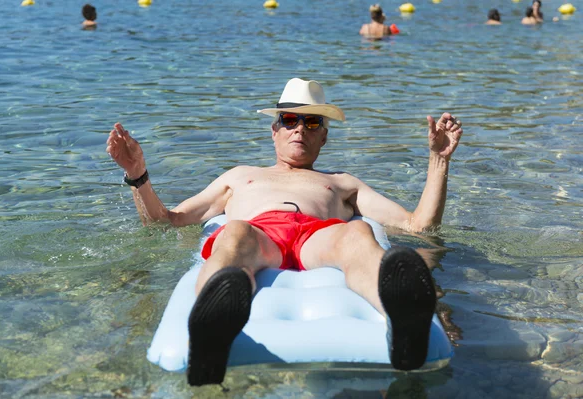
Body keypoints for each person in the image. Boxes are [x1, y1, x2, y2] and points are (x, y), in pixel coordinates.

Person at [106, 78, 463, 386]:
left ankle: (403, 323)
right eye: (289, 120)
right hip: (258, 236)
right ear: (274, 129)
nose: (298, 128)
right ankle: (209, 332)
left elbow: (419, 226)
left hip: (319, 236)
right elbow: (166, 221)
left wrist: (439, 161)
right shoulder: (238, 176)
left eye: (311, 123)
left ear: (323, 137)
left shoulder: (341, 183)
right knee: (235, 235)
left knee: (357, 237)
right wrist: (138, 175)